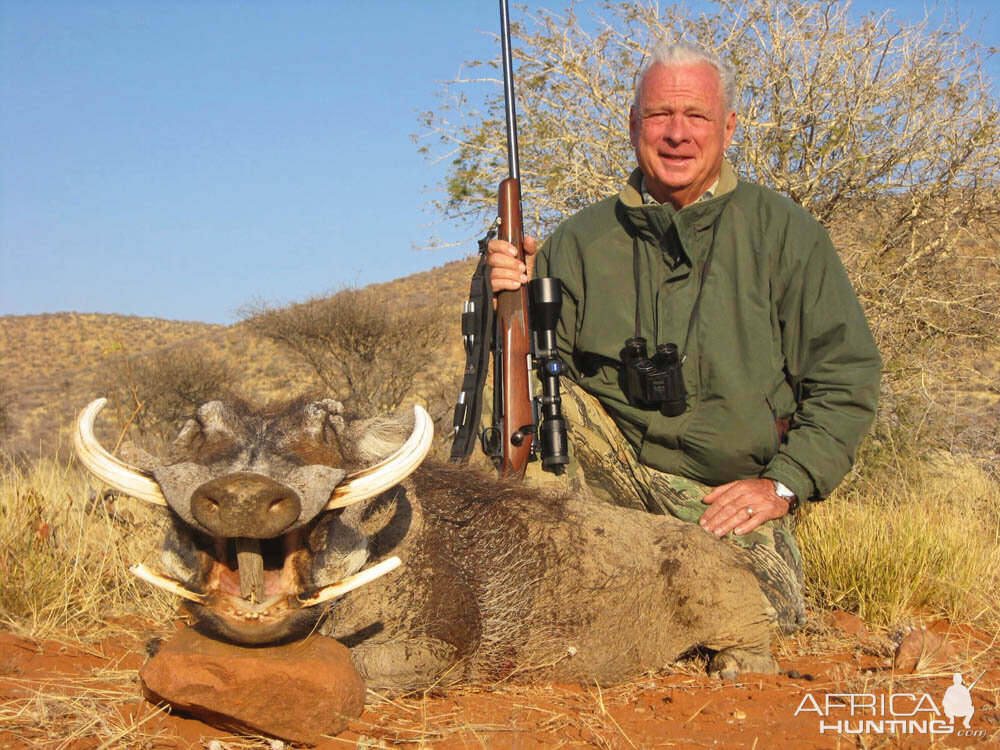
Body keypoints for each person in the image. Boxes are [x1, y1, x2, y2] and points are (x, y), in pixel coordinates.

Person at [486, 41, 881, 633]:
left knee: (765, 613)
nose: (676, 134)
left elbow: (846, 377)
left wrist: (783, 484)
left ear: (727, 127)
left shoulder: (785, 233)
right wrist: (504, 297)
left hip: (722, 496)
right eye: (658, 116)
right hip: (610, 480)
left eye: (695, 116)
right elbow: (531, 383)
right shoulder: (577, 242)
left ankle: (625, 595)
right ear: (632, 126)